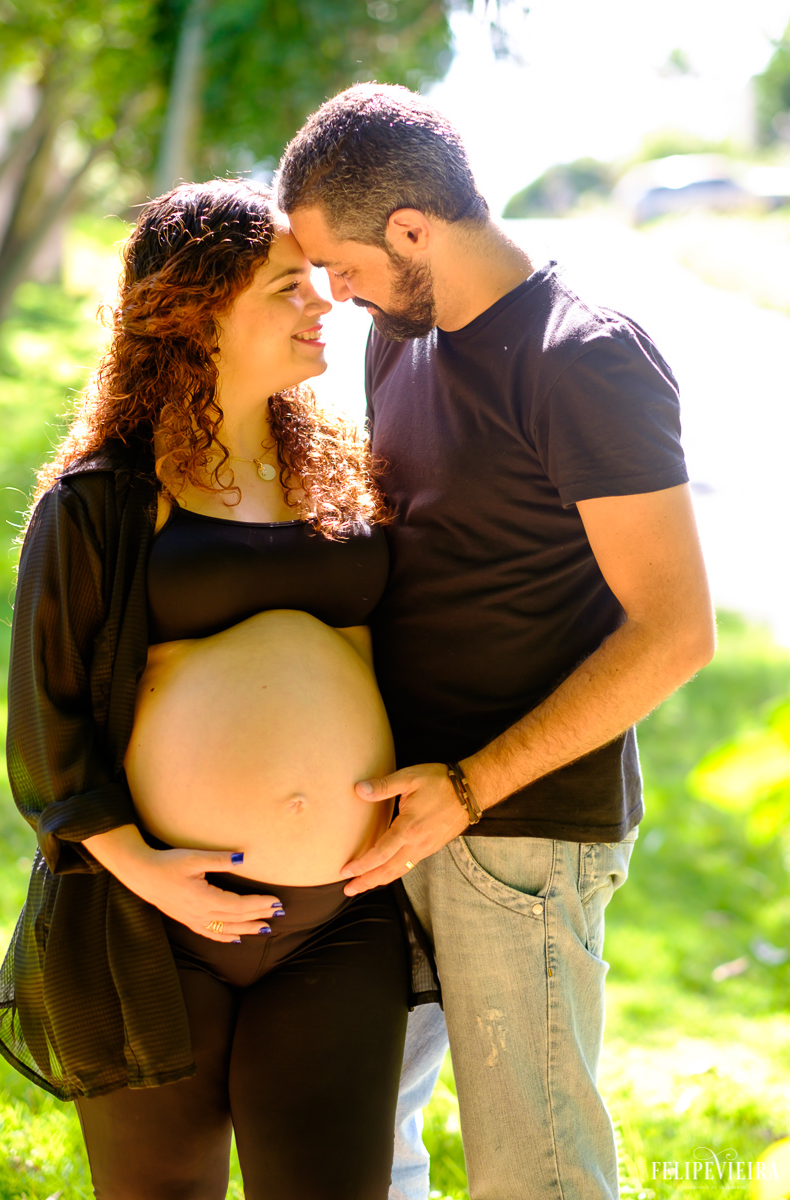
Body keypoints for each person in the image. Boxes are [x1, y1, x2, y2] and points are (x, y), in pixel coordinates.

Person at [277, 84, 716, 1200]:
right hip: (392, 819)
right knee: (363, 1148)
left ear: (413, 231)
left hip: (516, 830)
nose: (333, 295)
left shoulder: (583, 357)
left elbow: (673, 633)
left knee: (534, 1170)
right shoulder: (398, 338)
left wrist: (467, 790)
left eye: (343, 265)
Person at [0, 178, 437, 1200]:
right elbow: (47, 725)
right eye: (288, 284)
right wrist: (139, 869)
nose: (321, 300)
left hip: (341, 920)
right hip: (153, 930)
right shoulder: (103, 498)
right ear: (196, 309)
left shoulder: (342, 475)